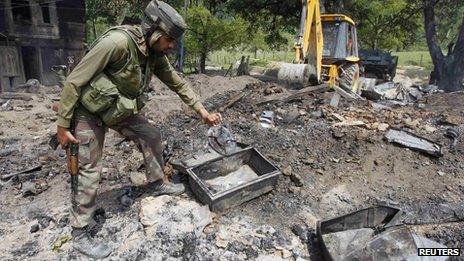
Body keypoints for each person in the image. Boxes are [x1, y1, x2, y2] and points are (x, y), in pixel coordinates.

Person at [55, 1, 221, 258]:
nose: (172, 46)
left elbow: (178, 83)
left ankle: (156, 183)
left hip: (118, 111)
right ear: (155, 32)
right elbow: (74, 81)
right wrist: (63, 126)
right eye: (169, 40)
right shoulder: (117, 44)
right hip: (89, 113)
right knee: (89, 169)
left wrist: (202, 111)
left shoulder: (155, 55)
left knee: (151, 135)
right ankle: (79, 232)